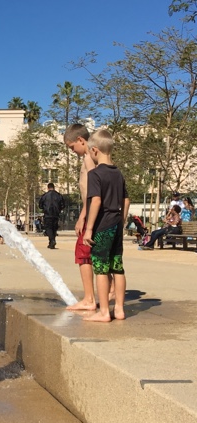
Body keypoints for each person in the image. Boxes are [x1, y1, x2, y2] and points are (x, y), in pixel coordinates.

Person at [83, 129, 129, 322]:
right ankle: (119, 309)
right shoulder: (118, 173)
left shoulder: (95, 174)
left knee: (101, 268)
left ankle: (103, 312)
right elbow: (126, 200)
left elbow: (96, 201)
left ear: (94, 150)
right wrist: (122, 221)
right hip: (117, 223)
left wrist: (89, 228)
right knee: (117, 266)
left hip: (102, 226)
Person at [64, 123, 99, 311]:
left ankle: (89, 298)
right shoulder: (92, 157)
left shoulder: (89, 159)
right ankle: (100, 294)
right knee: (96, 253)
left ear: (80, 140)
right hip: (92, 211)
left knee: (83, 254)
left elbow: (93, 192)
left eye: (72, 147)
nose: (72, 151)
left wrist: (82, 216)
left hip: (90, 212)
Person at [39, 182, 65, 249]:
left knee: (48, 228)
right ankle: (51, 243)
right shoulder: (59, 195)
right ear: (54, 187)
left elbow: (40, 205)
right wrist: (59, 209)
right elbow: (63, 205)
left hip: (47, 214)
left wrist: (44, 208)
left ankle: (52, 240)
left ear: (48, 188)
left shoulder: (44, 196)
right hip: (56, 215)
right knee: (54, 228)